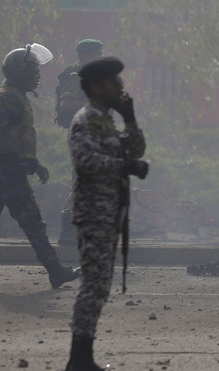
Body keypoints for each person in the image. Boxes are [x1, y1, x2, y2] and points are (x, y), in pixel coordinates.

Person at [65, 56, 149, 370]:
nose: (121, 87)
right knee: (93, 283)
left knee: (99, 284)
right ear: (97, 87)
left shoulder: (107, 120)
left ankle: (82, 357)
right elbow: (84, 159)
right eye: (115, 82)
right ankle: (79, 359)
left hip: (109, 213)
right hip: (94, 213)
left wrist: (130, 118)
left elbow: (135, 149)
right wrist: (124, 166)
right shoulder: (86, 118)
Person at [0, 43, 80, 289]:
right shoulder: (8, 100)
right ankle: (55, 271)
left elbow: (16, 139)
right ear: (19, 72)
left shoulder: (16, 98)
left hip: (12, 172)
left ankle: (55, 271)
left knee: (33, 223)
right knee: (33, 223)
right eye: (33, 71)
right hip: (7, 173)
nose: (37, 76)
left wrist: (34, 164)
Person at [55, 39, 105, 247]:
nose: (101, 58)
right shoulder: (77, 78)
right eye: (97, 55)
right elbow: (66, 103)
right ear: (85, 56)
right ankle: (68, 230)